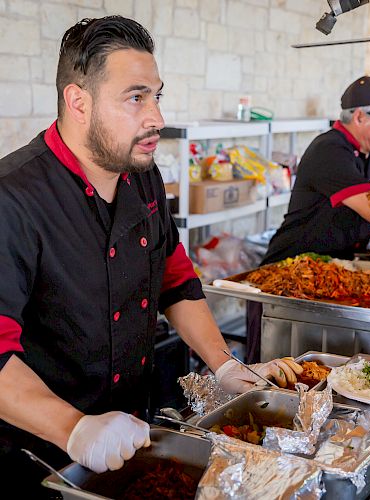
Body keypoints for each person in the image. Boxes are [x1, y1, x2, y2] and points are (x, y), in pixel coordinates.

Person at [0, 16, 301, 497]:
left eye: (156, 96)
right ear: (78, 101)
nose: (157, 117)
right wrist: (73, 428)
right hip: (38, 457)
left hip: (130, 433)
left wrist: (224, 365)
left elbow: (175, 277)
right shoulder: (13, 200)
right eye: (135, 97)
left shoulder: (143, 177)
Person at [247, 76, 370, 363]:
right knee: (273, 372)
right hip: (289, 276)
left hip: (332, 274)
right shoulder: (329, 150)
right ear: (360, 116)